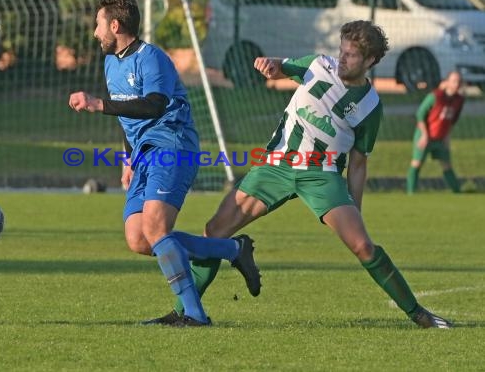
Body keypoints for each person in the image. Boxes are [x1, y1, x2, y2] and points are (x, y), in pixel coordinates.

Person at [146, 20, 452, 329]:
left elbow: (359, 162)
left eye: (352, 55)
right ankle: (184, 312)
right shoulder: (318, 65)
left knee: (363, 246)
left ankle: (419, 315)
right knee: (214, 231)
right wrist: (270, 66)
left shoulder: (371, 106)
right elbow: (281, 67)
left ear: (370, 61)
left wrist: (354, 207)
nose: (343, 58)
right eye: (342, 51)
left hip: (322, 174)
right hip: (276, 165)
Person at [68, 0, 261, 327]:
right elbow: (126, 116)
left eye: (98, 24)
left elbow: (154, 105)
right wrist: (127, 158)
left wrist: (99, 104)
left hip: (173, 147)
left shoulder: (152, 57)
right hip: (142, 155)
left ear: (115, 25)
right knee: (140, 239)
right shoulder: (111, 62)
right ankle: (233, 250)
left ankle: (194, 315)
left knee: (156, 228)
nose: (95, 32)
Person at [406, 71, 464, 194]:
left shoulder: (459, 100)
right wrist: (424, 136)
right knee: (417, 163)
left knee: (446, 164)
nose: (456, 84)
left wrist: (447, 136)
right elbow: (420, 115)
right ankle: (410, 194)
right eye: (454, 81)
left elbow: (452, 120)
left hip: (440, 137)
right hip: (425, 135)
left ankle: (458, 193)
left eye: (459, 81)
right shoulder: (435, 96)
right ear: (447, 82)